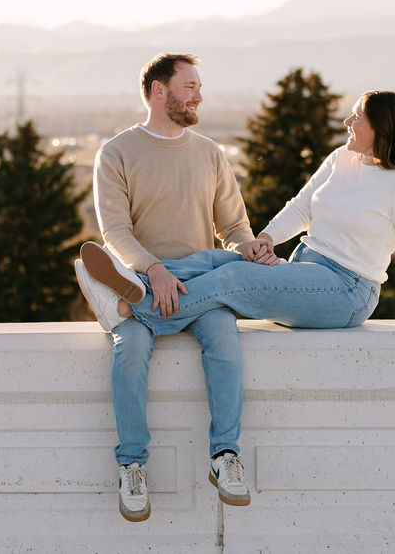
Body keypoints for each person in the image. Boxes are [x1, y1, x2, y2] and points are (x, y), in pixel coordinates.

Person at [80, 89, 395, 352]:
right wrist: (266, 239)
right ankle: (135, 280)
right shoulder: (341, 159)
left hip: (346, 292)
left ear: (381, 127)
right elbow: (302, 207)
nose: (347, 123)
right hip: (305, 268)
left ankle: (133, 309)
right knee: (217, 261)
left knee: (233, 280)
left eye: (356, 117)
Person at [74, 53, 272, 523]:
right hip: (145, 278)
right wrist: (155, 269)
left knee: (225, 338)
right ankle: (132, 467)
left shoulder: (210, 153)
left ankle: (224, 456)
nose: (198, 95)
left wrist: (250, 249)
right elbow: (116, 234)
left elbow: (235, 226)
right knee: (129, 353)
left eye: (200, 86)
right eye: (189, 86)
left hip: (198, 288)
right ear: (159, 91)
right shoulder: (117, 152)